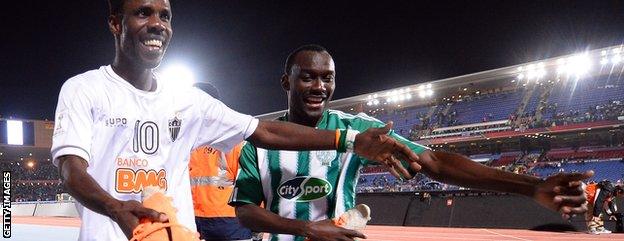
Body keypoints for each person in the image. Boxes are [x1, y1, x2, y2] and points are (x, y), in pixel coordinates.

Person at [50, 1, 420, 240]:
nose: (157, 23)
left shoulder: (189, 101)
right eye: (142, 13)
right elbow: (72, 171)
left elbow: (265, 130)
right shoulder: (84, 89)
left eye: (165, 15)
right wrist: (116, 208)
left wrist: (350, 141)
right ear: (116, 23)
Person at [229, 44, 593, 241]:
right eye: (307, 77)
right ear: (286, 83)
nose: (319, 87)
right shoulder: (260, 141)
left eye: (328, 78)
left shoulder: (361, 129)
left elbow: (435, 162)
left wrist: (530, 187)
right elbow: (246, 211)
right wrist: (306, 229)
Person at [188, 82, 256, 241]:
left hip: (229, 218)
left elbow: (249, 182)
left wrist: (256, 220)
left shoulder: (232, 137)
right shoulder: (188, 139)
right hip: (196, 217)